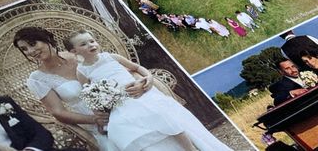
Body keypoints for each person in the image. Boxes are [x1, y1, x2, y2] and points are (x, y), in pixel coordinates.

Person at [65, 30, 232, 151]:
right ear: (74, 51)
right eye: (84, 44)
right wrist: (101, 118)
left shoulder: (111, 57)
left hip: (141, 93)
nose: (91, 45)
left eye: (92, 40)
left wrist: (148, 79)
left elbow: (137, 68)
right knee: (120, 130)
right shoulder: (82, 71)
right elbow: (91, 96)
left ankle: (190, 148)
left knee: (159, 113)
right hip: (120, 103)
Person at [12, 27, 121, 150]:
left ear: (46, 39)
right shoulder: (37, 79)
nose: (30, 51)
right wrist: (96, 119)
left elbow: (112, 68)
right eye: (24, 49)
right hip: (94, 123)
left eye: (33, 44)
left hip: (119, 106)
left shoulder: (78, 54)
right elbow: (58, 112)